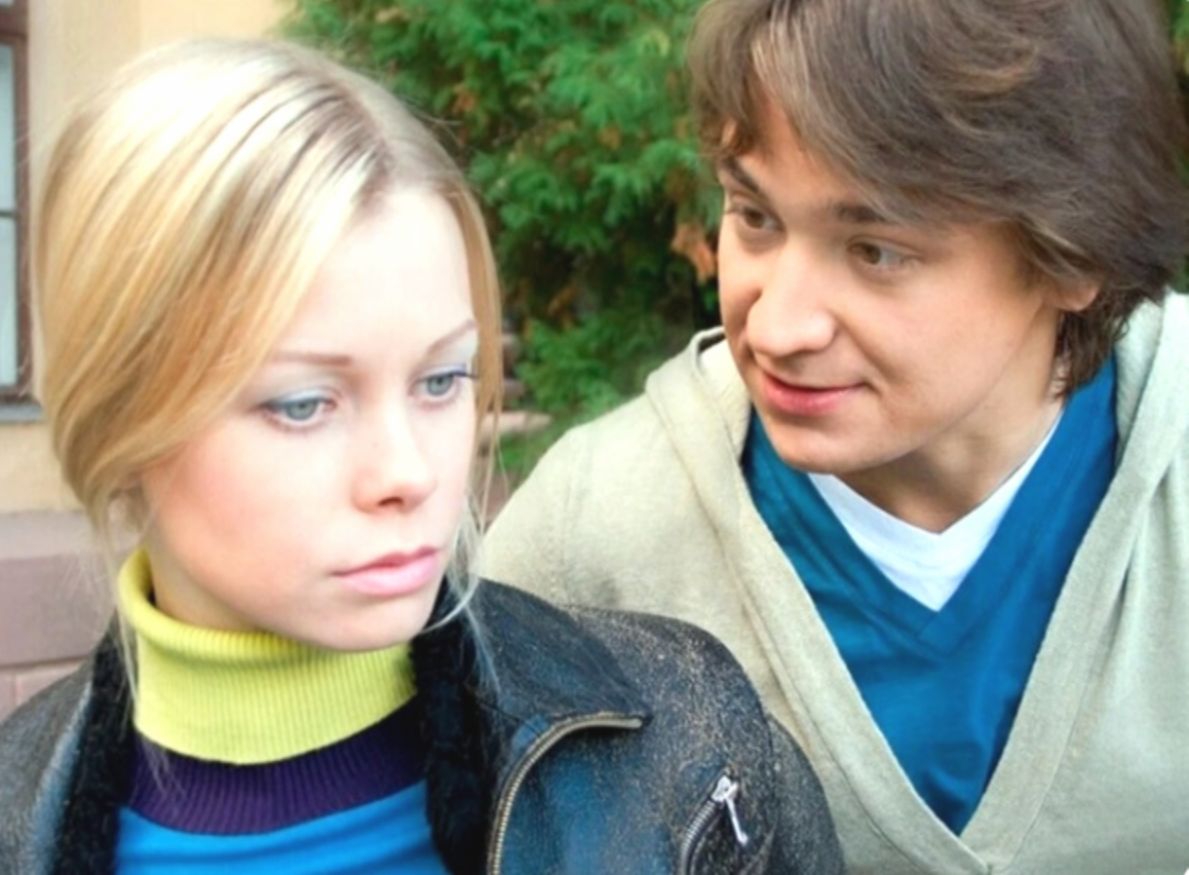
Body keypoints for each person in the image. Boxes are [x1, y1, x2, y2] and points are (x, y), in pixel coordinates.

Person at [0, 39, 842, 874]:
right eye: (303, 403)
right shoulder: (18, 821)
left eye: (440, 380)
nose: (407, 472)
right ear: (120, 414)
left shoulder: (687, 759)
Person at [483, 1, 1189, 872]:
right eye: (754, 216)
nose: (777, 327)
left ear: (1074, 254)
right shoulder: (587, 540)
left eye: (874, 250)